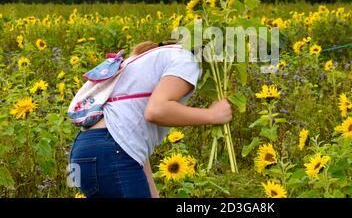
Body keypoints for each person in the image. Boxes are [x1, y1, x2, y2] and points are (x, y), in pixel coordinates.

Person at [68, 41, 232, 198]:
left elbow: (133, 140)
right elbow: (156, 111)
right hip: (112, 152)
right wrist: (212, 115)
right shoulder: (186, 58)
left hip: (85, 152)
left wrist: (153, 193)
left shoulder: (145, 62)